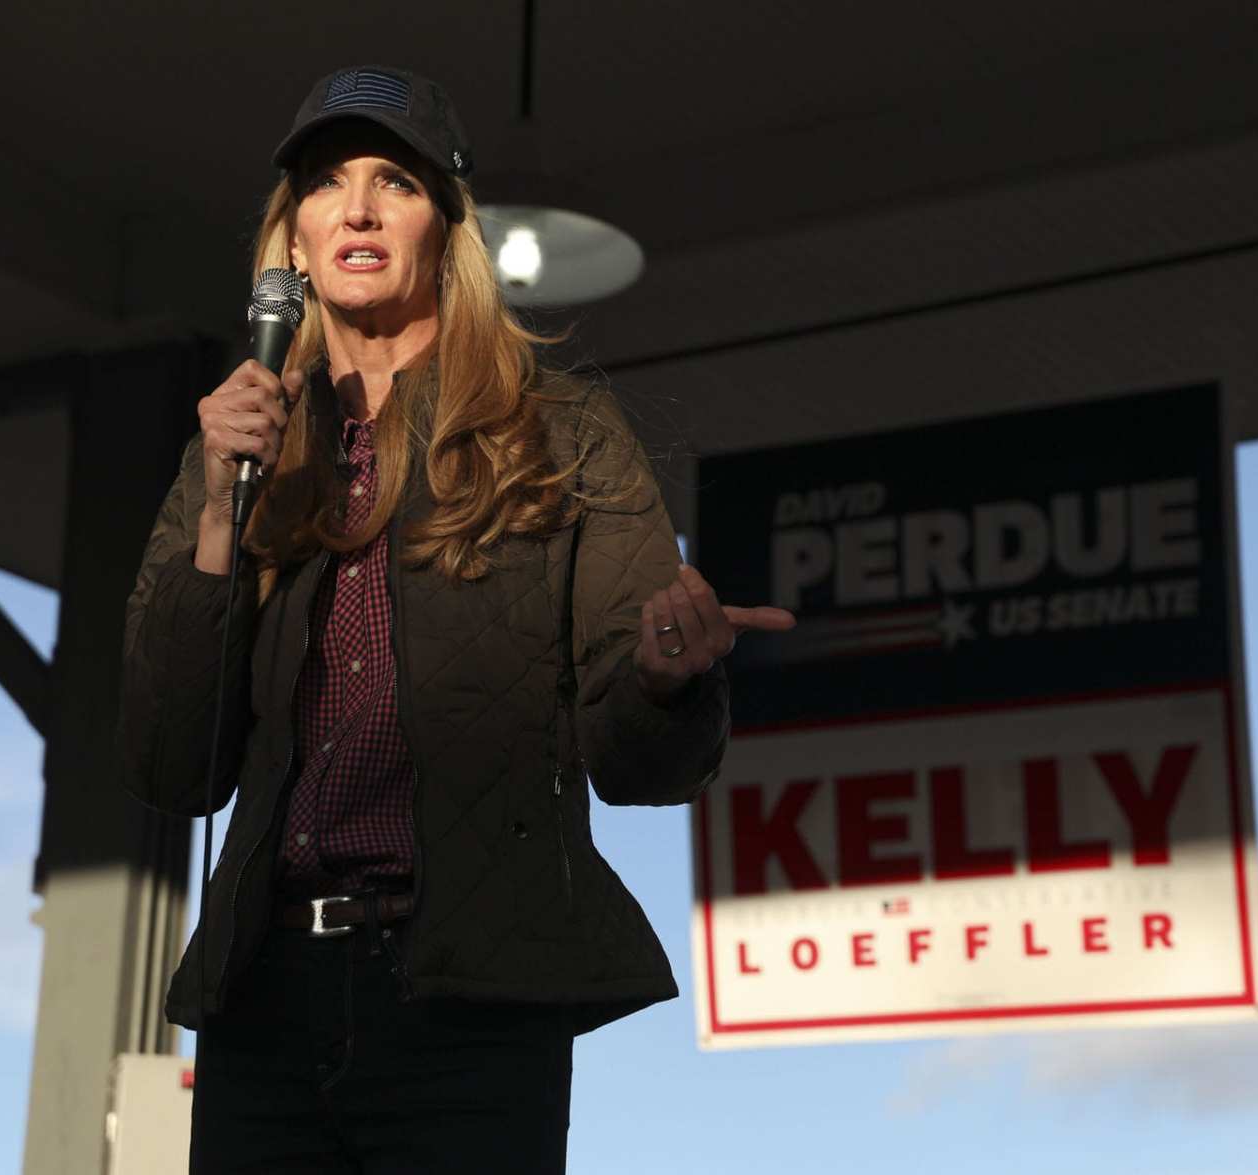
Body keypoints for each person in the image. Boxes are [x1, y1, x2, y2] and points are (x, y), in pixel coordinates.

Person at [115, 65, 794, 1173]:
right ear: (292, 238)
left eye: (397, 182)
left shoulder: (559, 430)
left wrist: (668, 674)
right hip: (265, 1001)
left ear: (447, 229)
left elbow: (641, 763)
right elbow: (166, 765)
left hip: (470, 1009)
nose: (363, 208)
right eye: (328, 185)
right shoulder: (234, 447)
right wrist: (212, 534)